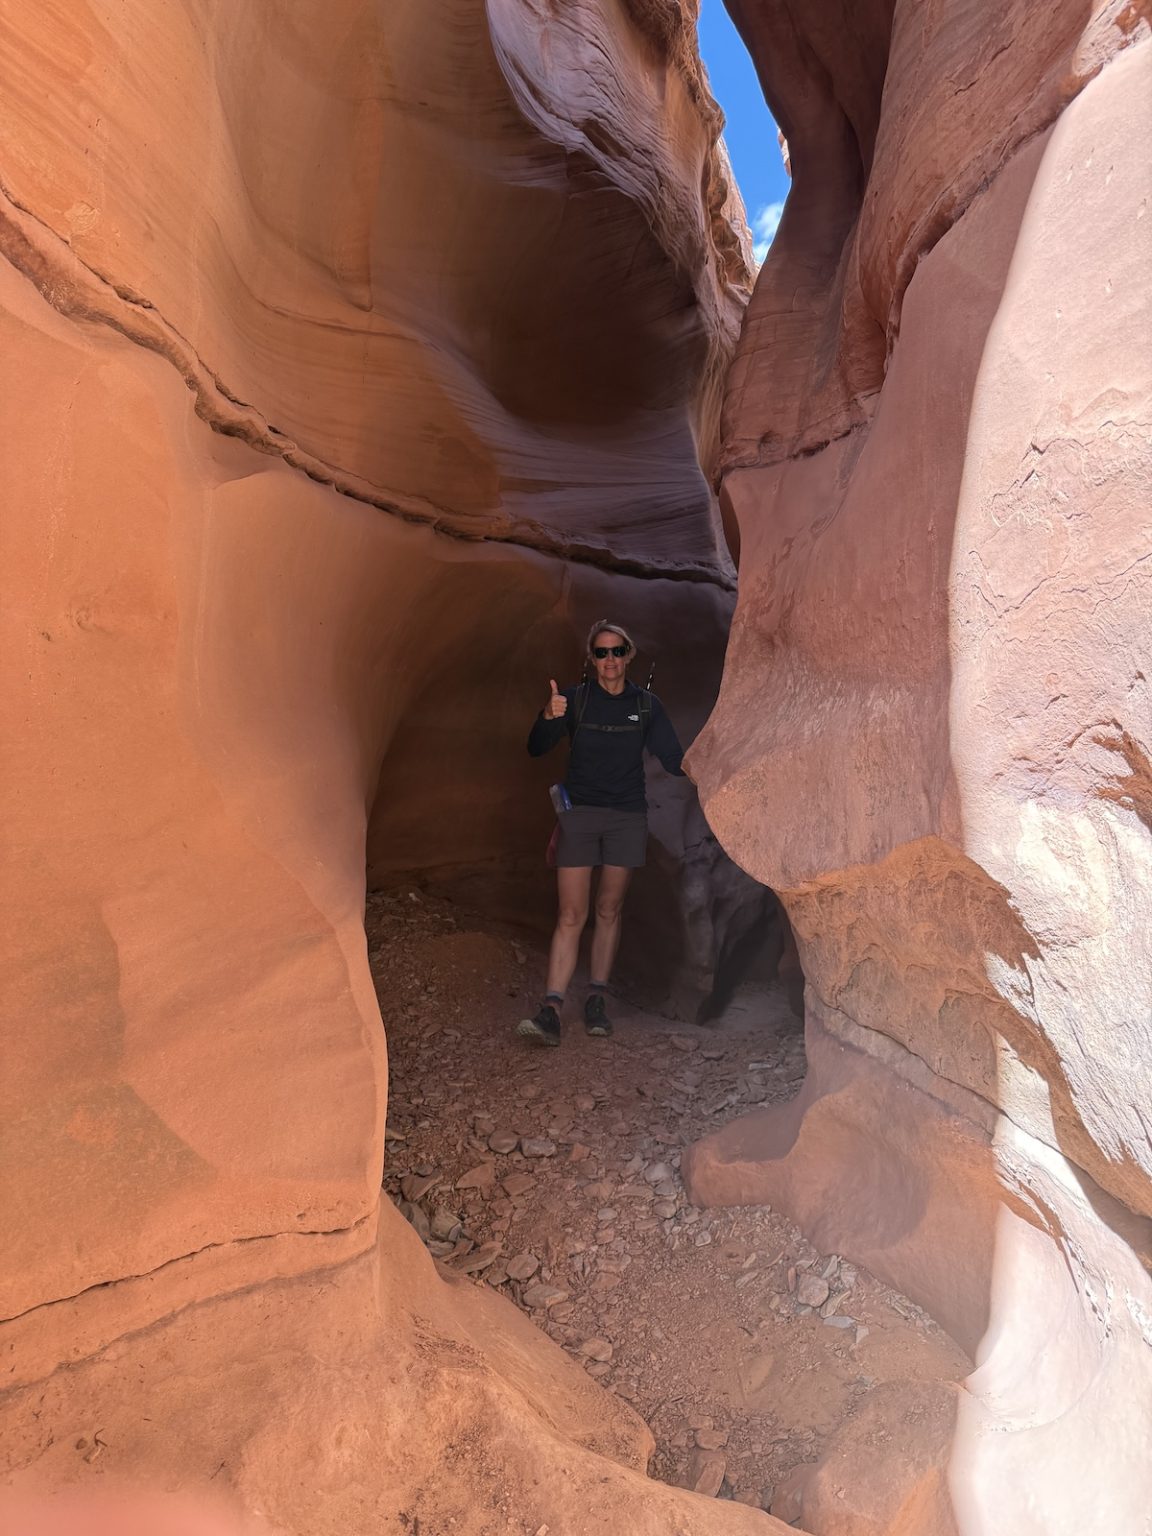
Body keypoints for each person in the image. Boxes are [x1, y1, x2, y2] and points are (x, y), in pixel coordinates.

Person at [518, 620, 686, 1045]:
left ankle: (596, 1000)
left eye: (617, 651)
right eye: (601, 652)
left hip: (626, 817)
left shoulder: (646, 706)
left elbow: (673, 759)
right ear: (591, 659)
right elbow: (536, 747)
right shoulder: (574, 700)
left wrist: (719, 758)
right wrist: (547, 715)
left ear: (629, 655)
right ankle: (551, 1009)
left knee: (609, 908)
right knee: (571, 913)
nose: (609, 660)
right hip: (580, 816)